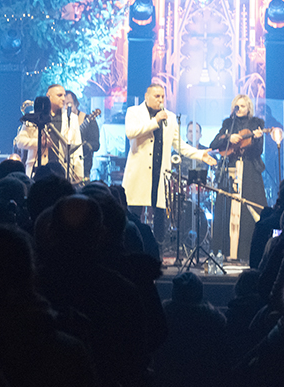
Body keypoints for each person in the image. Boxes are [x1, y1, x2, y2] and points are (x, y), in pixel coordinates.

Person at [122, 84, 216, 243]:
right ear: (147, 96)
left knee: (160, 216)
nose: (160, 100)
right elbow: (131, 132)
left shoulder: (170, 117)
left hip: (160, 174)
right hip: (139, 174)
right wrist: (155, 121)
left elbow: (179, 144)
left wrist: (200, 154)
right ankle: (132, 248)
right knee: (134, 214)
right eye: (156, 96)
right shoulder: (134, 112)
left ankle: (158, 253)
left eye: (162, 96)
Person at [209, 94, 268, 262]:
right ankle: (225, 250)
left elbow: (258, 152)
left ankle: (246, 252)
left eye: (242, 106)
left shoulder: (257, 124)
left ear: (249, 108)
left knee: (250, 209)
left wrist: (257, 139)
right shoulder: (228, 124)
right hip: (230, 168)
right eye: (237, 106)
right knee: (226, 208)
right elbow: (214, 144)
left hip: (249, 169)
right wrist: (228, 137)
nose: (239, 109)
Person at [15, 84, 83, 181]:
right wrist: (38, 143)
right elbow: (20, 141)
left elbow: (77, 148)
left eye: (64, 95)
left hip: (61, 173)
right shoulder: (33, 117)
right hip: (37, 172)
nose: (63, 98)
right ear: (48, 96)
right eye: (59, 95)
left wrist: (79, 173)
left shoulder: (72, 119)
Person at [65, 90, 100, 179]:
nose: (66, 108)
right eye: (64, 105)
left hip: (83, 167)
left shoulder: (88, 119)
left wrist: (86, 146)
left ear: (76, 104)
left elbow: (96, 145)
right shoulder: (62, 121)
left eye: (69, 104)